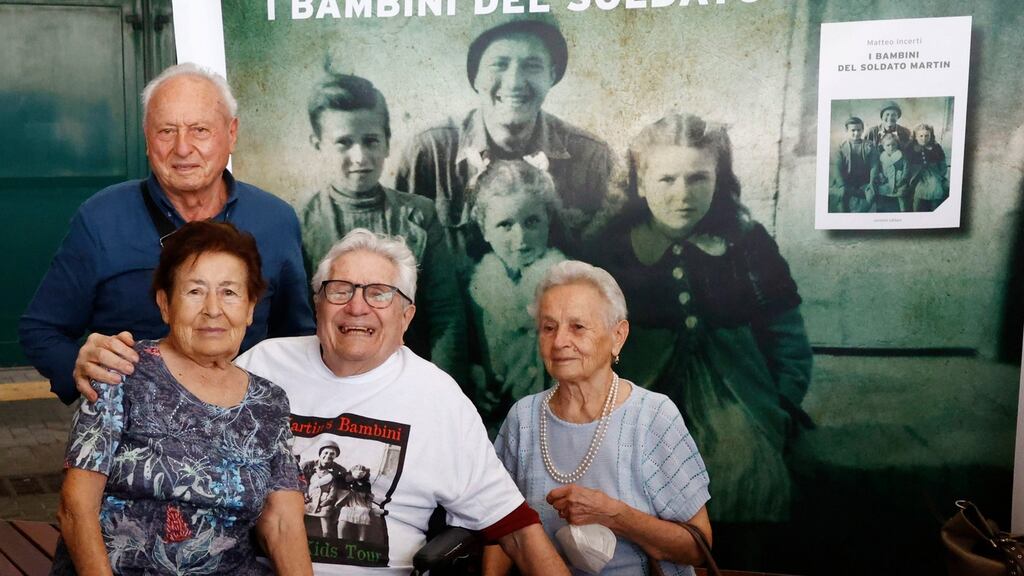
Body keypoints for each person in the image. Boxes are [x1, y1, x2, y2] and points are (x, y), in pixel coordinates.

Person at [234, 228, 570, 575]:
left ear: (406, 316)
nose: (356, 307)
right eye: (339, 290)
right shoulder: (261, 366)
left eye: (378, 294)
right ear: (317, 304)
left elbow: (514, 528)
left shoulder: (438, 398)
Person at [591, 113, 813, 569]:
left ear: (720, 179)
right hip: (641, 385)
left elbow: (785, 331)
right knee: (630, 472)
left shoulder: (747, 243)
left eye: (699, 178)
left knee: (744, 464)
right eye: (666, 178)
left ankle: (732, 560)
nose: (682, 193)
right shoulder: (611, 249)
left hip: (732, 388)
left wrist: (783, 402)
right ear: (640, 182)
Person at [19, 62, 314, 405]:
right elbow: (41, 330)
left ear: (231, 133)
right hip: (134, 431)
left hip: (244, 429)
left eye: (200, 130)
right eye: (166, 131)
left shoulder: (276, 220)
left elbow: (297, 339)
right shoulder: (101, 218)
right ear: (147, 138)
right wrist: (79, 369)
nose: (183, 148)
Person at [50, 221, 311, 575]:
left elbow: (283, 524)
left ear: (251, 307)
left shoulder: (269, 402)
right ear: (165, 304)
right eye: (194, 291)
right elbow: (75, 508)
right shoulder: (121, 370)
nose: (213, 309)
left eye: (230, 293)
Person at [486, 260, 712, 575]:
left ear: (617, 336)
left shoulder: (653, 416)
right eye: (549, 327)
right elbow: (503, 528)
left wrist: (614, 515)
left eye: (577, 327)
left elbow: (697, 547)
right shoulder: (523, 417)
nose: (560, 341)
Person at [395, 14, 618, 273]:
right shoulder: (430, 153)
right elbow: (399, 265)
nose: (514, 82)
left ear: (552, 75)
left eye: (532, 65)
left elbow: (609, 266)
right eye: (499, 64)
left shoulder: (591, 157)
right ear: (476, 76)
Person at [299, 72, 469, 384]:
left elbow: (446, 316)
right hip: (326, 383)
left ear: (388, 142)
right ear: (318, 144)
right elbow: (296, 325)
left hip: (408, 381)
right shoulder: (300, 222)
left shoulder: (419, 215)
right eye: (343, 143)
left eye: (371, 140)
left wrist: (435, 391)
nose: (359, 157)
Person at [467, 159, 567, 431]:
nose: (521, 236)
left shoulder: (572, 284)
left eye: (532, 221)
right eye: (505, 225)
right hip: (497, 424)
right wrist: (473, 379)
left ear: (548, 221)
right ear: (485, 230)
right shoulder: (475, 291)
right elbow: (468, 353)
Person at [301, 441, 348, 539]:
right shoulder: (307, 465)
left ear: (335, 456)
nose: (328, 456)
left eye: (332, 454)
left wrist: (330, 500)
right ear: (320, 453)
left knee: (328, 523)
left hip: (325, 501)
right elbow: (300, 481)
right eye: (325, 452)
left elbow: (341, 489)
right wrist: (304, 494)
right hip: (306, 497)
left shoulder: (340, 470)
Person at [830, 116, 877, 213]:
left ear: (863, 130)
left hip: (865, 181)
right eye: (853, 130)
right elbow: (836, 167)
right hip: (847, 181)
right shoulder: (841, 146)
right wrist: (841, 184)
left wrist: (871, 182)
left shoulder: (869, 145)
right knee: (842, 196)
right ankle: (845, 218)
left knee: (871, 196)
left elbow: (874, 165)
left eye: (859, 130)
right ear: (847, 130)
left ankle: (859, 216)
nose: (856, 133)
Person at [907, 123, 949, 212]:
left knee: (935, 187)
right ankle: (915, 212)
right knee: (918, 190)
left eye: (927, 136)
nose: (924, 138)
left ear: (930, 136)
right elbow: (907, 163)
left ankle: (934, 211)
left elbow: (942, 162)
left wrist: (941, 174)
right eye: (921, 136)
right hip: (917, 174)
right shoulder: (911, 147)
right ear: (915, 137)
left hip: (933, 172)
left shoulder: (936, 147)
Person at [871, 132, 910, 213]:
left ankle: (904, 212)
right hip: (885, 181)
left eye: (893, 145)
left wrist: (902, 180)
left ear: (897, 145)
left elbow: (906, 169)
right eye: (888, 145)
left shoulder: (901, 156)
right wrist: (881, 177)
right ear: (883, 146)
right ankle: (880, 211)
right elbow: (879, 169)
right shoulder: (882, 157)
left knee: (902, 196)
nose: (891, 147)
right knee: (880, 194)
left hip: (899, 181)